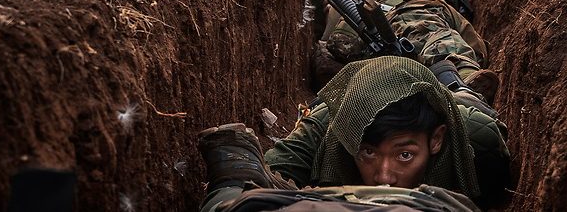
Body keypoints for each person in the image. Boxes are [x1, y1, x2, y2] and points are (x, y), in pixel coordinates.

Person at [197, 57, 510, 212]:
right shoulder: (330, 127)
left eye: (405, 155)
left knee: (466, 98)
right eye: (368, 153)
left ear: (436, 139)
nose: (384, 177)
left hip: (459, 109)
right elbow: (273, 170)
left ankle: (457, 79)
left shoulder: (475, 142)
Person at [311, 0, 498, 104]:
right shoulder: (347, 4)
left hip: (427, 31)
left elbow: (341, 41)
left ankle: (464, 81)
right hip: (452, 45)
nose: (328, 6)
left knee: (421, 29)